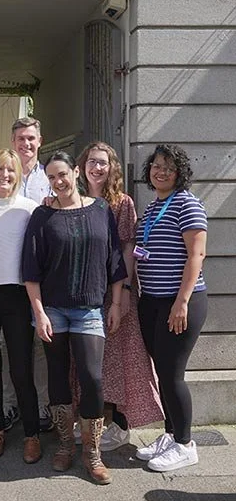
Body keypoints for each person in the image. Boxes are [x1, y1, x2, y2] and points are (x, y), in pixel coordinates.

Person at [22, 150, 126, 485]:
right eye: (51, 177)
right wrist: (39, 313)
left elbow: (114, 260)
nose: (58, 182)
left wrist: (116, 303)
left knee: (92, 379)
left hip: (90, 310)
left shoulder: (100, 211)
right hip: (53, 309)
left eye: (62, 175)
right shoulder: (42, 216)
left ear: (76, 172)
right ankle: (66, 446)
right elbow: (31, 269)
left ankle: (91, 452)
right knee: (57, 377)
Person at [77, 142, 164, 451]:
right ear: (82, 166)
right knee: (94, 362)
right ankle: (94, 420)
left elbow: (128, 248)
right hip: (87, 292)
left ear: (111, 167)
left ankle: (122, 426)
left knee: (124, 357)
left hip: (118, 290)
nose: (96, 168)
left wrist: (124, 291)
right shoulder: (77, 201)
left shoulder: (121, 202)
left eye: (102, 162)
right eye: (91, 162)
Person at [135, 144, 207, 472]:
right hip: (151, 301)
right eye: (156, 166)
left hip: (177, 303)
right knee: (161, 372)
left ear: (179, 173)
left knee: (172, 374)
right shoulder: (153, 207)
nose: (160, 171)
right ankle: (170, 434)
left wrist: (182, 302)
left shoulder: (187, 204)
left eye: (168, 167)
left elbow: (196, 255)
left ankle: (185, 444)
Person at [0, 149, 41, 464]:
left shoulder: (29, 208)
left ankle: (31, 434)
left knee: (21, 369)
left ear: (18, 175)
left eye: (11, 171)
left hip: (17, 296)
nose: (5, 176)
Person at [0, 116, 52, 433]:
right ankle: (9, 405)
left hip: (43, 274)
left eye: (31, 138)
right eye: (20, 139)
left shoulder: (51, 177)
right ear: (13, 142)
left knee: (40, 344)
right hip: (8, 273)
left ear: (39, 141)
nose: (26, 144)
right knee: (8, 345)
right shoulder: (4, 175)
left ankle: (44, 405)